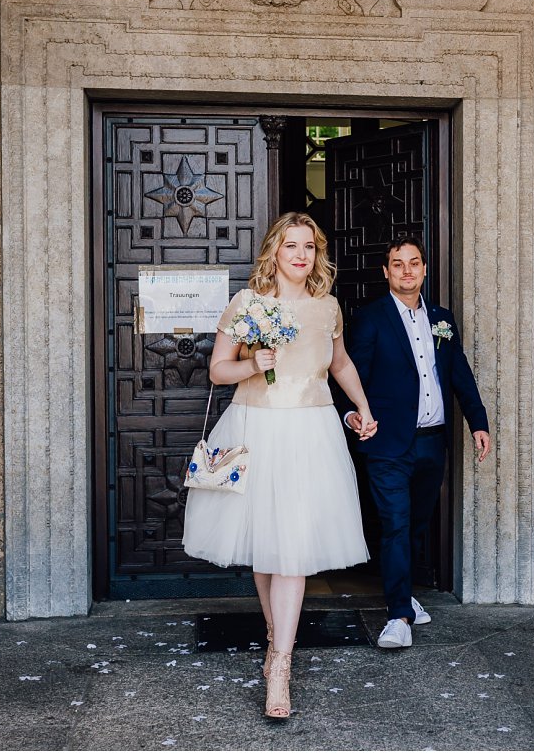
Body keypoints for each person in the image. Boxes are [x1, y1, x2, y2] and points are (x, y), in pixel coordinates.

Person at [182, 212, 378, 719]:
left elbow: (339, 364)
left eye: (309, 247)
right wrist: (254, 363)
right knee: (268, 551)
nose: (300, 255)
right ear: (274, 251)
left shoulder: (327, 306)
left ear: (317, 254)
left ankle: (281, 665)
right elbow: (217, 369)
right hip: (256, 427)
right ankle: (275, 639)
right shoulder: (247, 303)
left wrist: (364, 406)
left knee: (290, 550)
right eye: (291, 245)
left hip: (311, 431)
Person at [342, 234, 491, 649]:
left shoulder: (442, 318)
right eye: (398, 263)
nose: (407, 270)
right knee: (395, 525)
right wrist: (353, 415)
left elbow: (459, 372)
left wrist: (478, 422)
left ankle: (403, 592)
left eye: (414, 262)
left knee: (417, 525)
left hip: (431, 442)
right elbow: (352, 375)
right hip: (387, 443)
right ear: (385, 271)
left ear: (424, 269)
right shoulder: (370, 318)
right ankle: (398, 616)